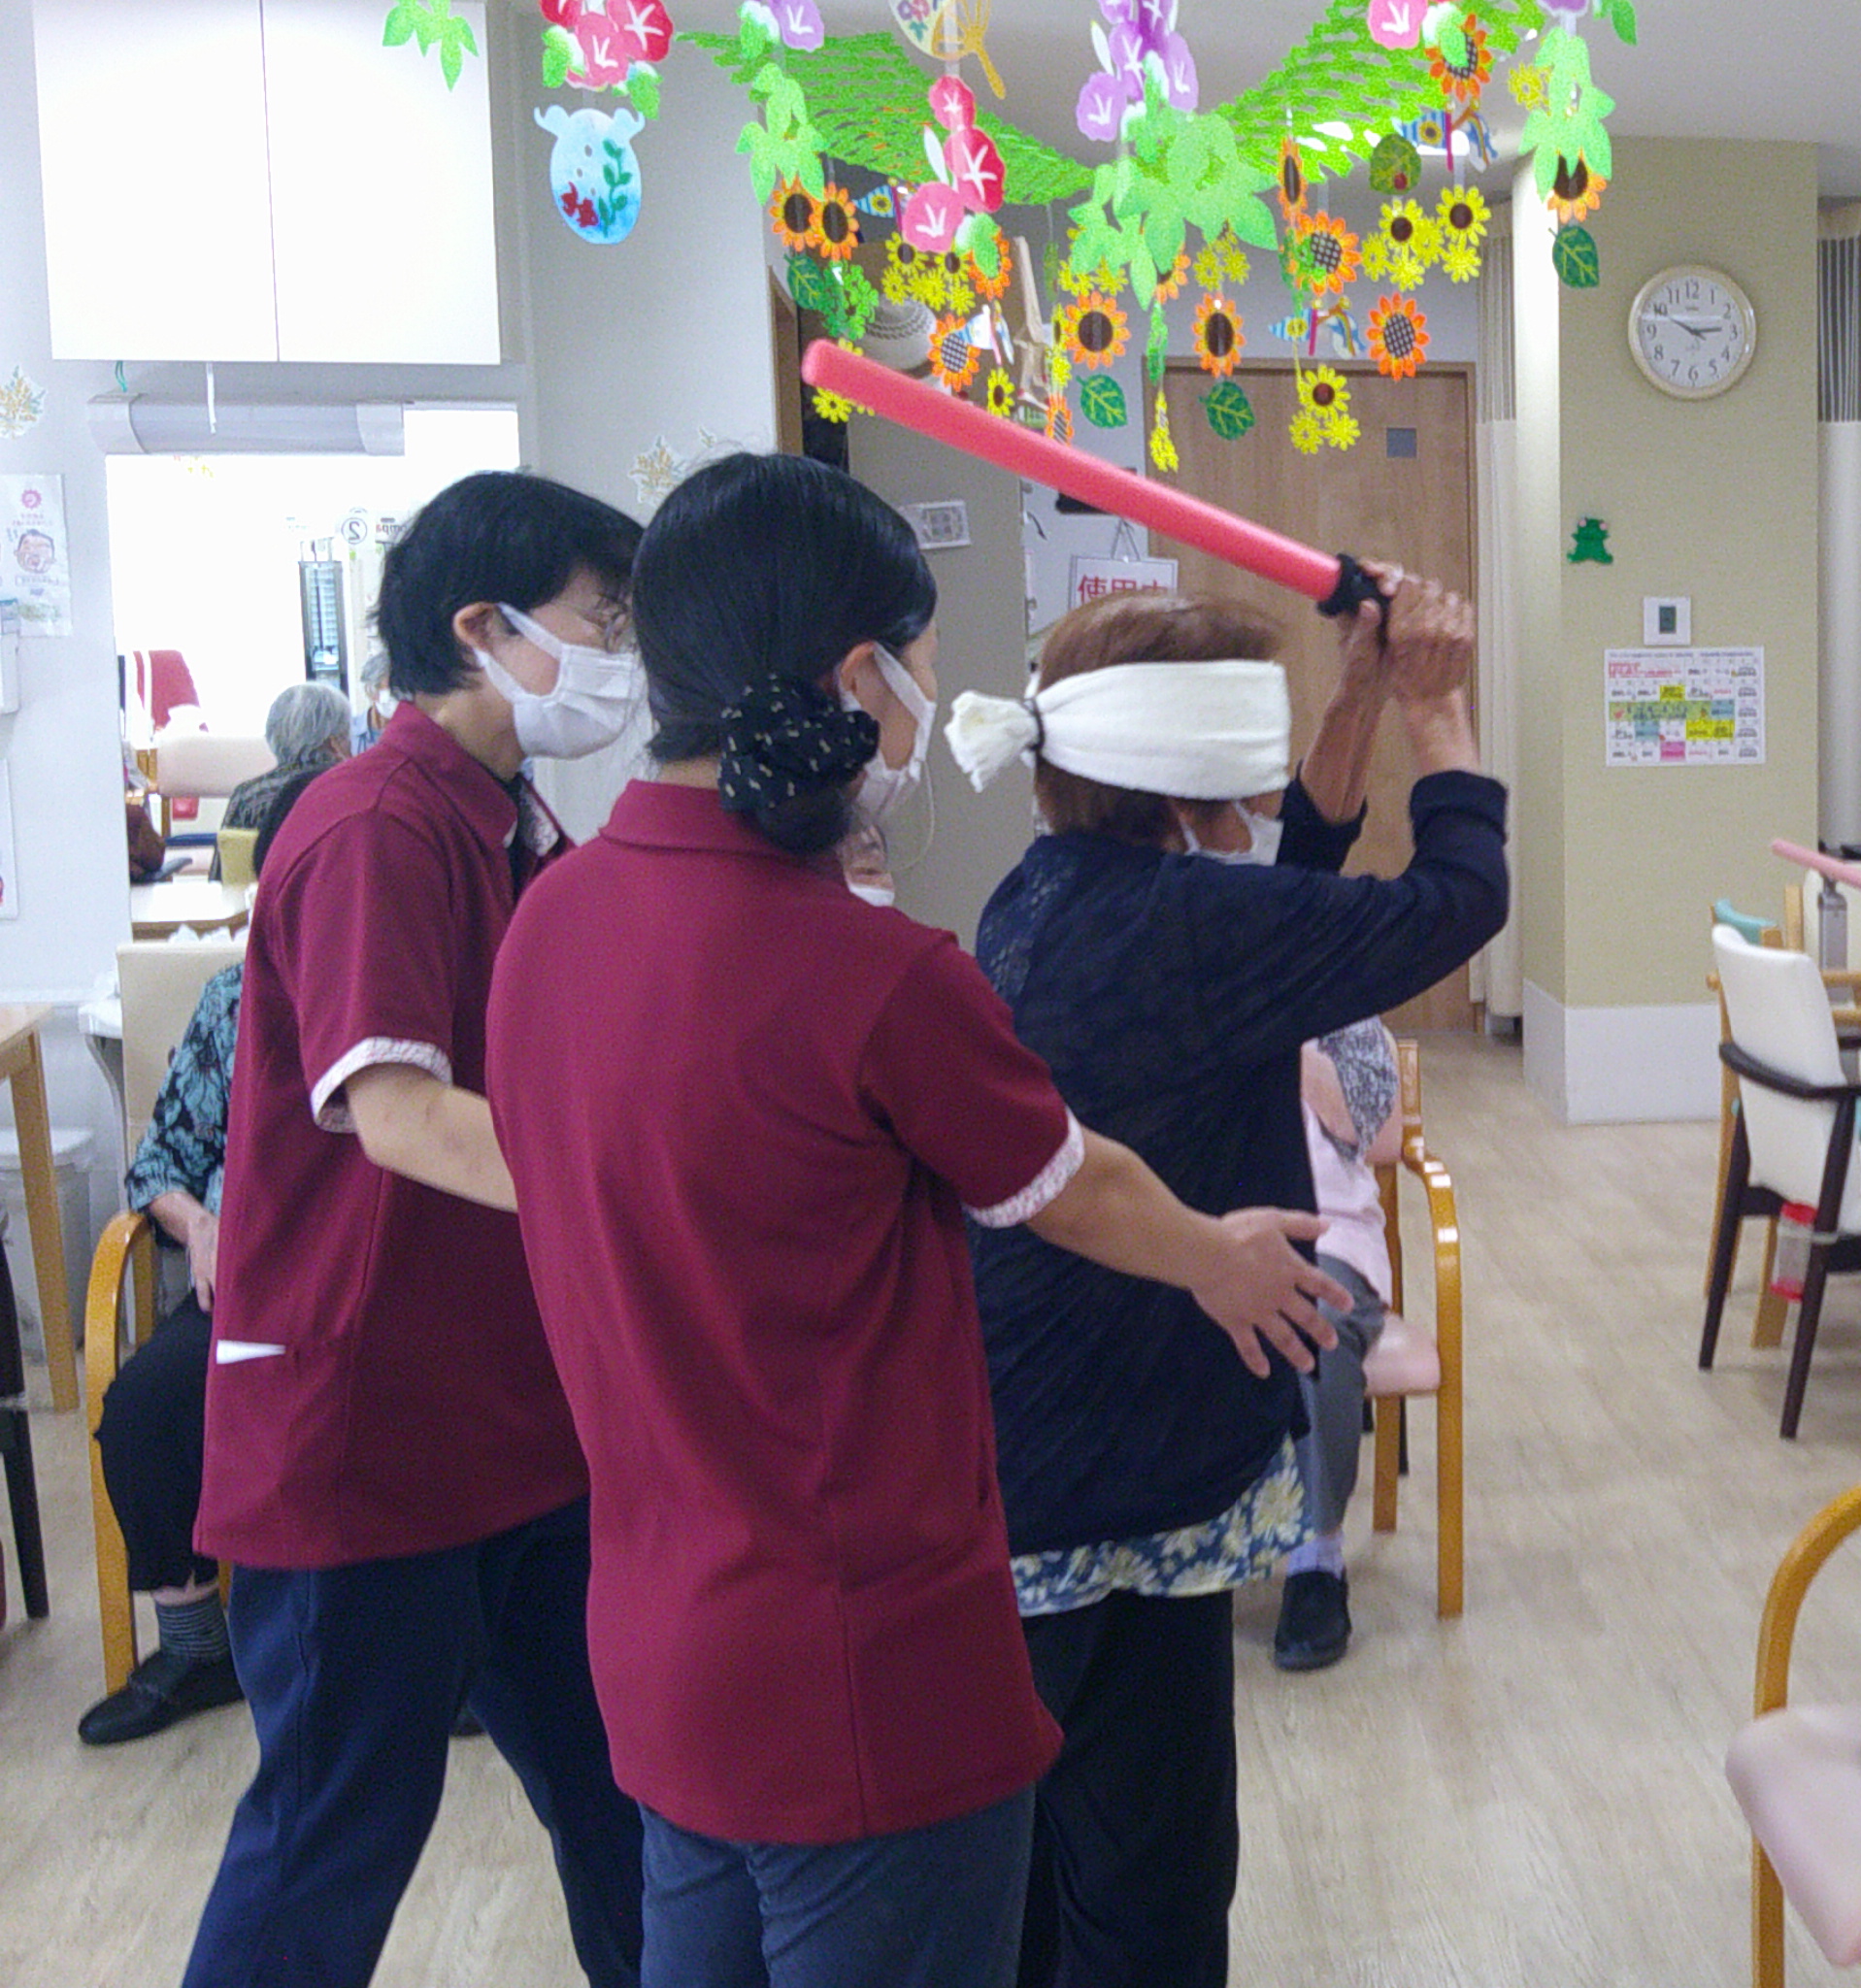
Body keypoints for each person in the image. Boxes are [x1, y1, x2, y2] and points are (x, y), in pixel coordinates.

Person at [483, 452, 1345, 1988]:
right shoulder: (870, 975)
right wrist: (1217, 1255)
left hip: (663, 1657)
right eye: (922, 661)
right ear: (853, 675)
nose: (930, 700)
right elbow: (1071, 1181)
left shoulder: (549, 922)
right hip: (865, 1687)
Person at [953, 576, 1504, 1985]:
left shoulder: (1052, 891)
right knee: (1150, 1879)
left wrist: (1358, 696)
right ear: (1195, 774)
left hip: (1045, 1442)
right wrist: (1439, 706)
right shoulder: (1187, 925)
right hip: (1119, 1453)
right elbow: (1459, 898)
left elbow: (1290, 881)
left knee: (1039, 1861)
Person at [188, 471, 649, 1986]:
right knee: (334, 1837)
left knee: (627, 1798)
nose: (618, 657)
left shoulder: (514, 824)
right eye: (600, 621)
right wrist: (651, 1198)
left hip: (514, 1422)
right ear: (482, 628)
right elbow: (397, 1116)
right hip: (365, 1438)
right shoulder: (376, 825)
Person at [79, 771, 339, 1750]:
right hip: (245, 1285)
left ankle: (447, 1650)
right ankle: (196, 1647)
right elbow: (160, 1162)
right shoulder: (232, 1003)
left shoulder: (424, 998)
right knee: (144, 1406)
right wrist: (198, 1224)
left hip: (374, 1291)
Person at [1277, 1018, 1403, 1673]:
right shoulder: (1178, 997)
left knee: (1317, 1319)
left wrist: (1278, 1031)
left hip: (1327, 1231)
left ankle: (1316, 1561)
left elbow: (1373, 1132)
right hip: (1203, 1229)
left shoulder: (1345, 1013)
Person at [220, 681, 354, 842]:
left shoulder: (249, 796)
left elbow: (228, 855)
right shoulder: (352, 793)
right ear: (336, 739)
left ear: (272, 732)